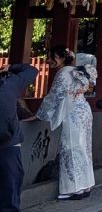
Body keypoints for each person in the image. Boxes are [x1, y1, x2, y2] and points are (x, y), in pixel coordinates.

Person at [36, 47, 97, 200]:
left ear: (62, 58)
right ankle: (86, 185)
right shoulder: (79, 70)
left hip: (71, 112)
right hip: (83, 109)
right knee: (84, 148)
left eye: (52, 57)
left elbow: (54, 97)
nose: (49, 60)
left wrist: (39, 115)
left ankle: (75, 189)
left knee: (70, 148)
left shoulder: (63, 73)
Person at [0, 60, 38, 212]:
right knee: (9, 197)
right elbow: (32, 70)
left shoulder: (9, 85)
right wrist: (11, 67)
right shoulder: (10, 85)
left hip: (9, 145)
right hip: (9, 147)